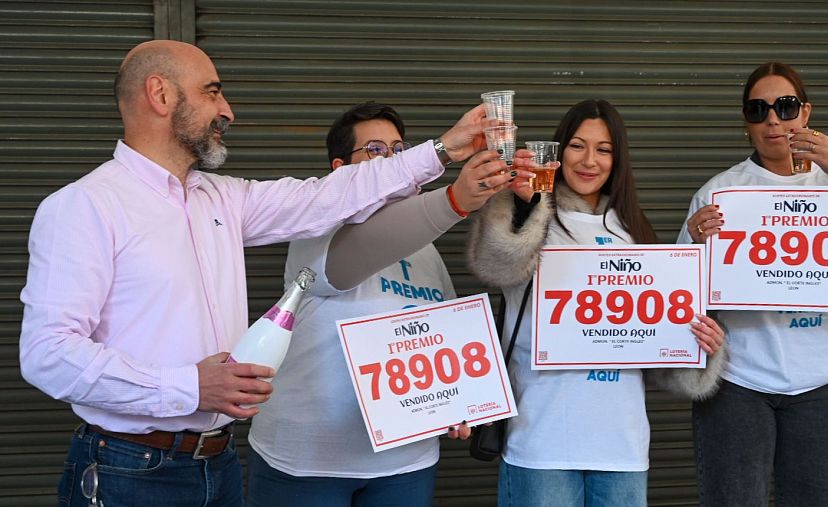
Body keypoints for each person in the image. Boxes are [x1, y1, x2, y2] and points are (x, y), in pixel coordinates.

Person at [18, 40, 498, 507]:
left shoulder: (222, 197)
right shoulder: (85, 206)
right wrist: (189, 386)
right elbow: (47, 354)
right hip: (129, 469)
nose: (227, 110)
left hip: (218, 461)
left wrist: (442, 149)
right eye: (212, 92)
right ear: (160, 94)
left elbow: (327, 196)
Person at [246, 101, 534, 507]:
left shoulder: (424, 248)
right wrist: (454, 199)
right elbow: (356, 255)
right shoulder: (315, 229)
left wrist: (460, 402)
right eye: (376, 151)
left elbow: (446, 335)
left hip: (406, 463)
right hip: (309, 461)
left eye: (400, 150)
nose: (396, 162)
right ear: (340, 169)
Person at [467, 99, 726, 507]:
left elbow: (653, 348)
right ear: (558, 151)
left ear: (617, 159)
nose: (589, 161)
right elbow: (496, 264)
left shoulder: (632, 230)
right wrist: (527, 202)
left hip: (622, 445)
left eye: (604, 149)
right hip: (542, 440)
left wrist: (698, 344)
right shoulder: (530, 213)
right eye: (577, 146)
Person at [677, 61, 828, 507]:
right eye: (758, 110)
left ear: (806, 112)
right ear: (746, 122)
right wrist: (696, 242)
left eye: (786, 106)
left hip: (822, 378)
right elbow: (681, 294)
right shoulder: (721, 192)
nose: (773, 120)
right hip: (739, 379)